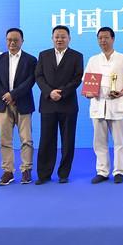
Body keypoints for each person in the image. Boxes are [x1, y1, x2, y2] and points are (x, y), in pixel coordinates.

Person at [84, 27, 123, 184]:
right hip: (98, 105)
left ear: (113, 39)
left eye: (106, 37)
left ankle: (119, 171)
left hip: (116, 104)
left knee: (119, 141)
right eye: (100, 38)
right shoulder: (93, 60)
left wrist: (121, 93)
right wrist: (88, 93)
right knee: (99, 141)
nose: (103, 41)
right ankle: (102, 171)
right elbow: (87, 83)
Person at [34, 25, 84, 184]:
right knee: (46, 140)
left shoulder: (77, 56)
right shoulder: (44, 55)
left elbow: (77, 78)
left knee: (67, 141)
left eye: (63, 36)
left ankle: (63, 174)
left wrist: (61, 92)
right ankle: (44, 174)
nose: (59, 39)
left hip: (68, 103)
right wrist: (50, 92)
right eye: (57, 37)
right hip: (48, 103)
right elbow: (38, 76)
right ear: (52, 38)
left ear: (69, 38)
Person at [0, 28, 37, 186]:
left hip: (23, 103)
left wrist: (14, 95)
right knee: (4, 140)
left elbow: (30, 81)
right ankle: (8, 171)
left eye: (16, 40)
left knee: (26, 139)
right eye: (9, 40)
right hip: (2, 104)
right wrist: (6, 95)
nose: (12, 43)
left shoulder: (31, 60)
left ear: (22, 41)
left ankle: (26, 170)